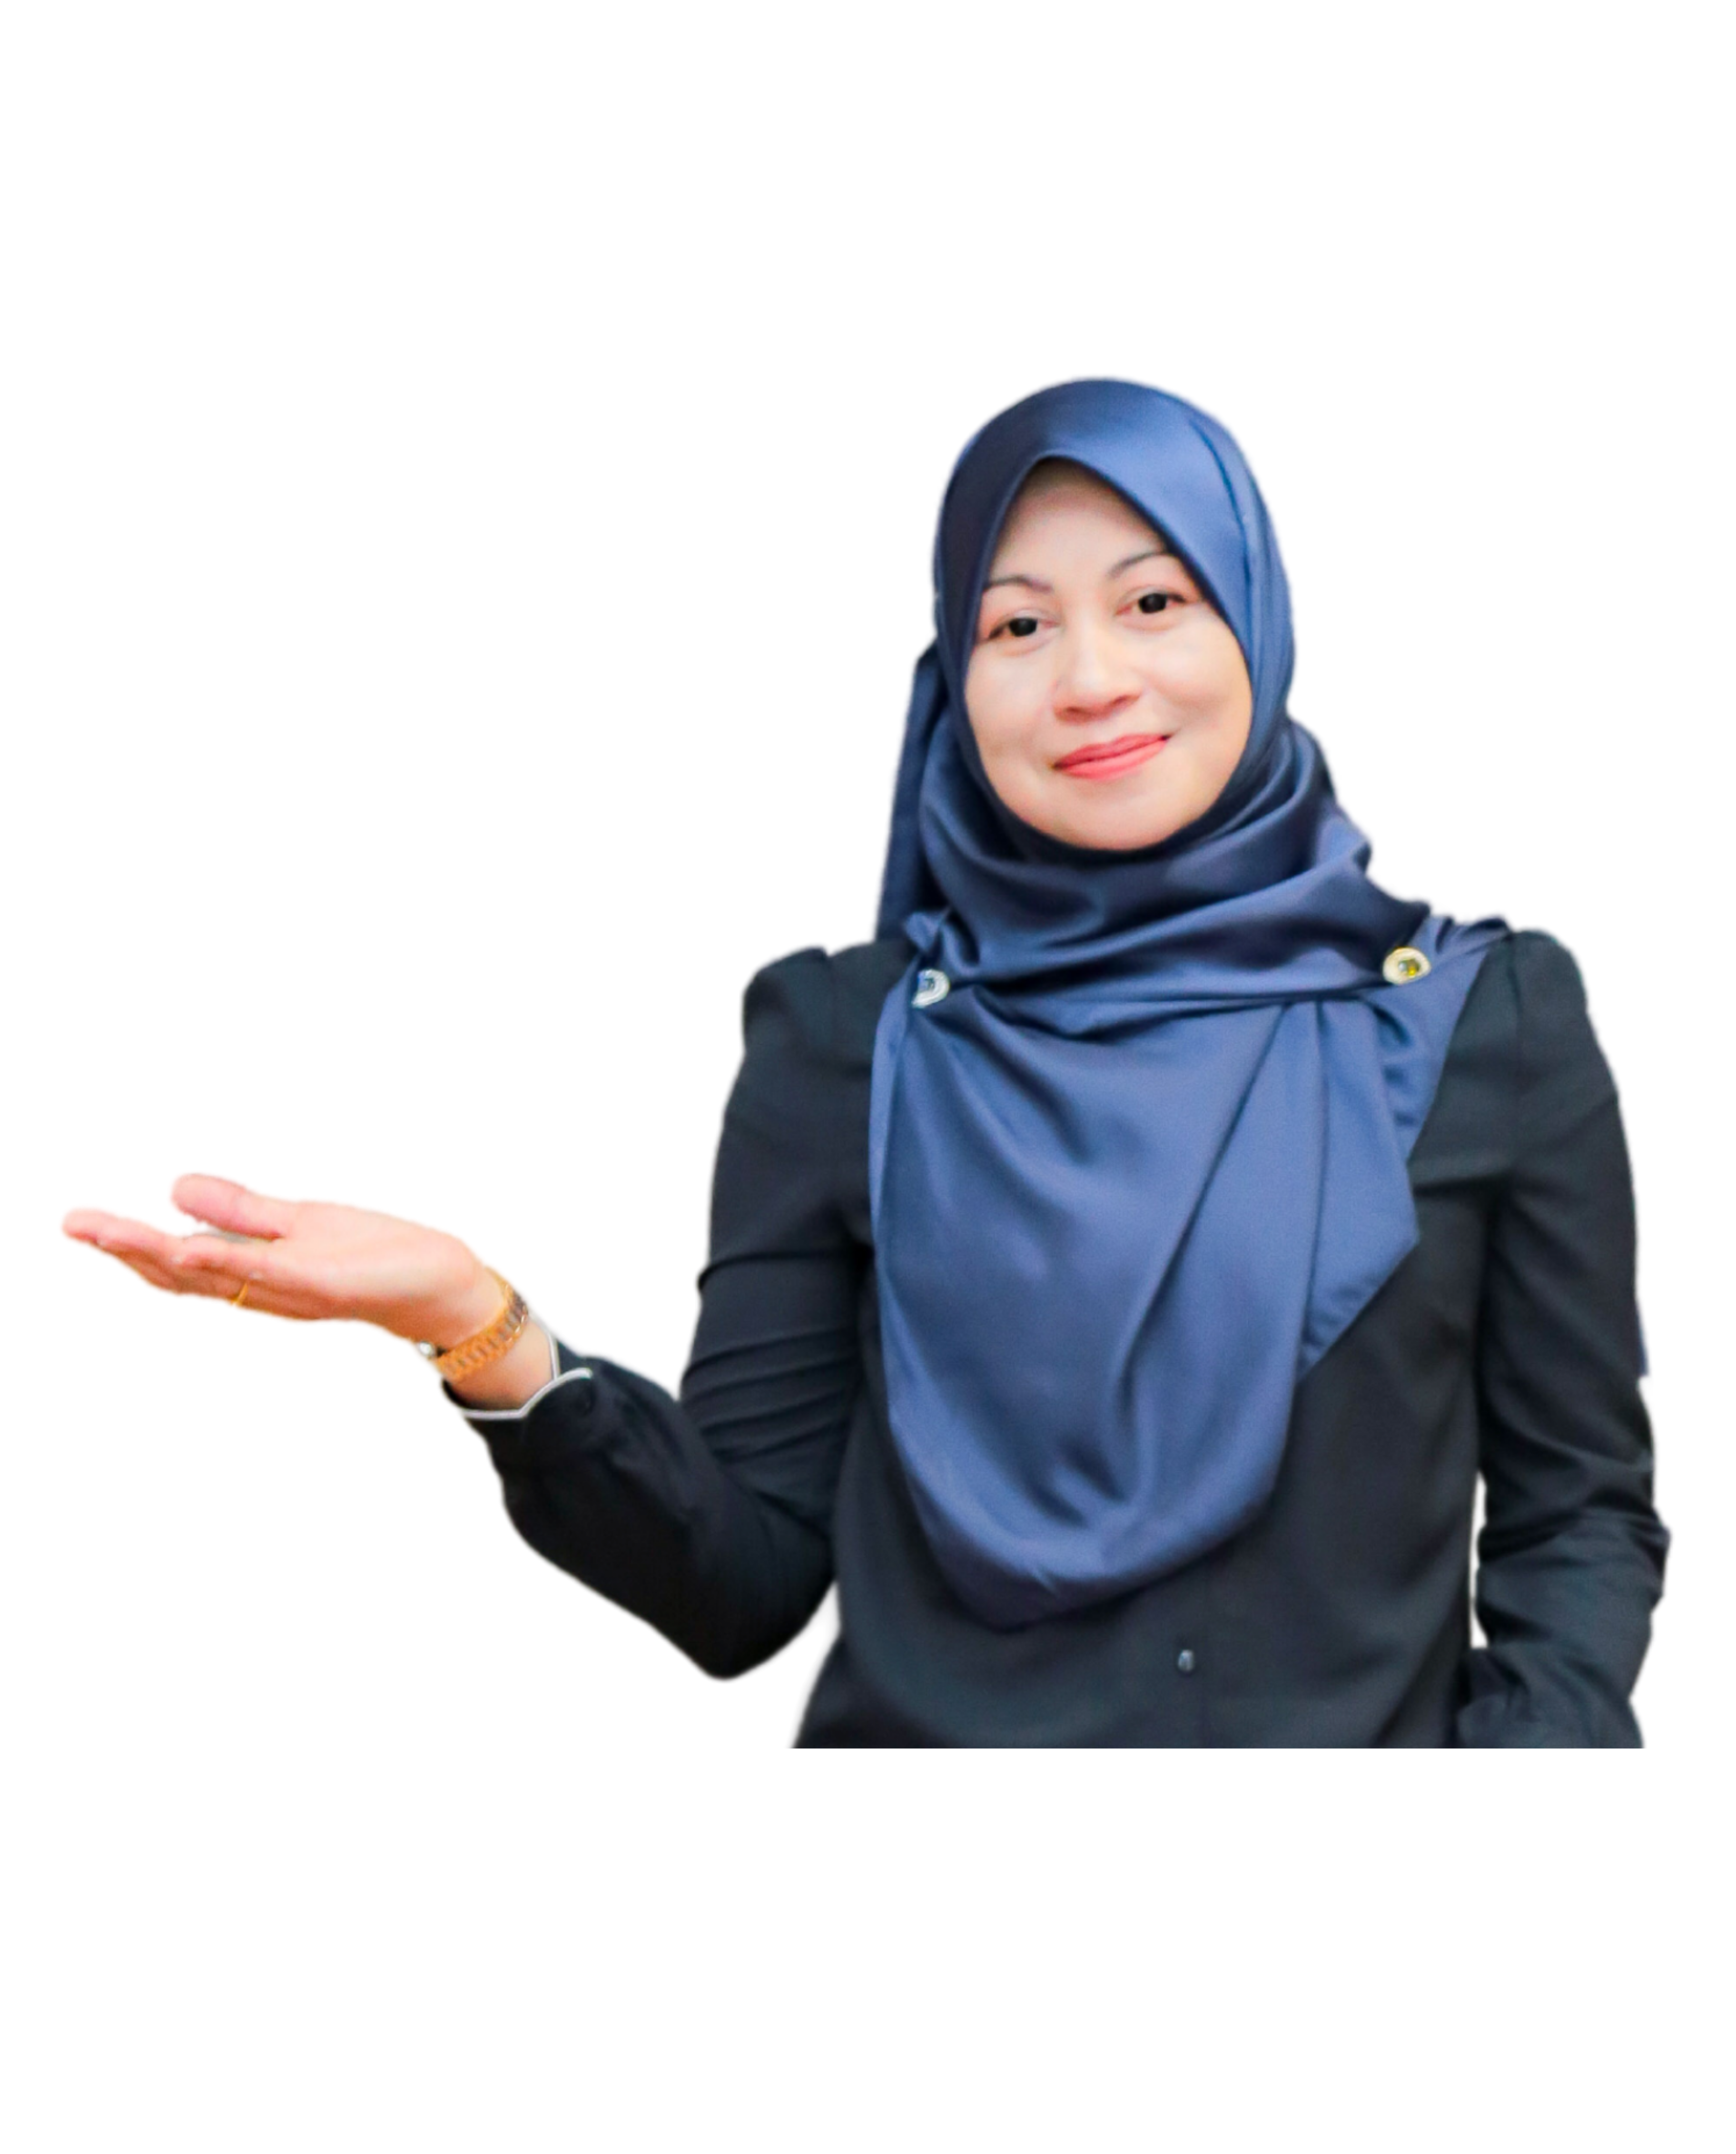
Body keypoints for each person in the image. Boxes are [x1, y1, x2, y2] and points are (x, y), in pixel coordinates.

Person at [56, 374, 1670, 1746]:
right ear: (955, 677)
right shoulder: (846, 1035)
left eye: (1155, 601)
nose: (1090, 678)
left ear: (1259, 611)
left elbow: (1579, 1520)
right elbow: (746, 1584)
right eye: (1017, 622)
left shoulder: (1487, 1017)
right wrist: (482, 1328)